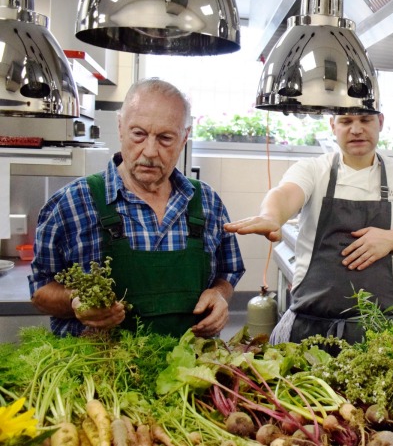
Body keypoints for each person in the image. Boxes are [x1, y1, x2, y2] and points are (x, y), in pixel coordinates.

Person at [29, 78, 245, 338]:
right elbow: (41, 292)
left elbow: (227, 271)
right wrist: (77, 302)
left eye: (165, 138)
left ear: (184, 137)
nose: (150, 151)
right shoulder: (71, 204)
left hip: (192, 373)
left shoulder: (207, 202)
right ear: (120, 128)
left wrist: (220, 295)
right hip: (100, 370)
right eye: (139, 134)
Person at [225, 112, 393, 344]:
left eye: (365, 120)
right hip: (308, 331)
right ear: (333, 125)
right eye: (346, 121)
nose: (356, 129)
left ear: (380, 122)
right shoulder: (312, 170)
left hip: (379, 336)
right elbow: (285, 194)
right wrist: (271, 216)